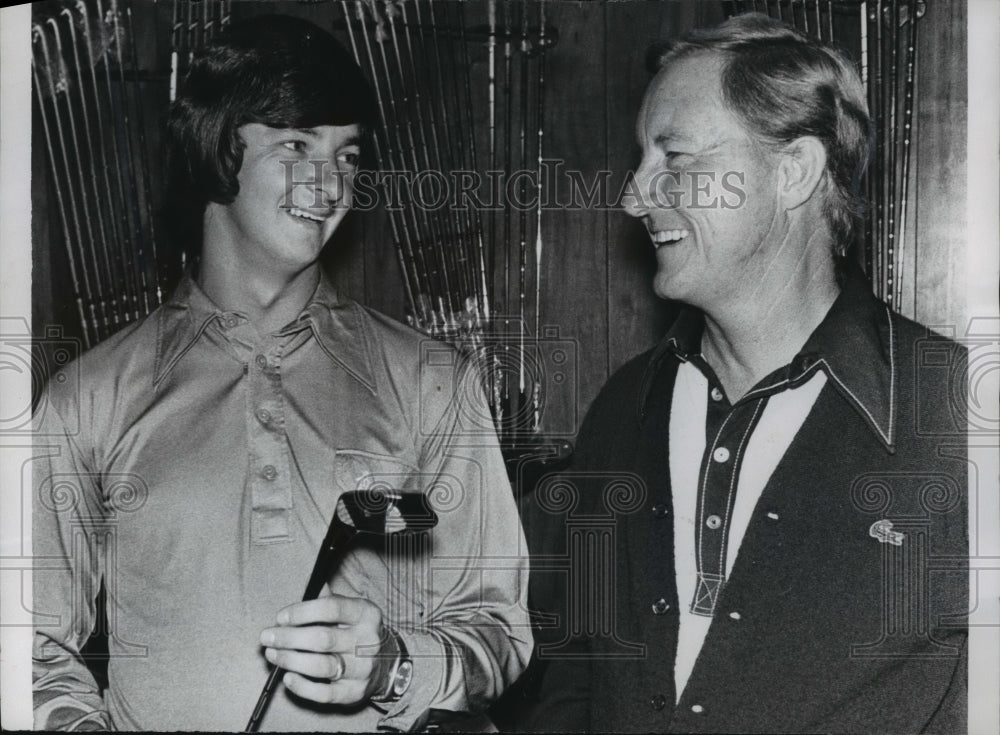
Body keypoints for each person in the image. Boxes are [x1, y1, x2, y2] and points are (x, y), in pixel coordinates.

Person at [32, 16, 530, 731]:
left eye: (348, 155)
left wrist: (395, 663)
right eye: (297, 144)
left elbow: (498, 627)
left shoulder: (435, 383)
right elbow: (29, 645)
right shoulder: (86, 397)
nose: (329, 183)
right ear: (215, 149)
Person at [523, 12, 967, 733]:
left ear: (793, 171)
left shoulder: (963, 417)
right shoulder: (621, 410)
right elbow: (577, 679)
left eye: (676, 158)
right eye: (641, 161)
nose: (635, 196)